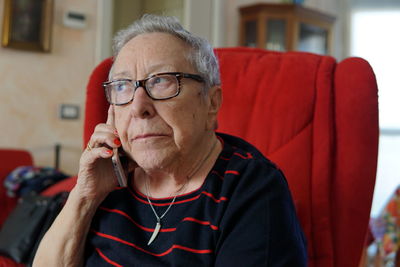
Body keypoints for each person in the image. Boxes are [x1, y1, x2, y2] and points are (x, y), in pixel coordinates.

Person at [33, 14, 307, 266]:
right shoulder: (108, 179)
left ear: (211, 102)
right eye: (122, 86)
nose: (138, 107)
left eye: (162, 81)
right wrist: (84, 196)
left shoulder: (251, 187)